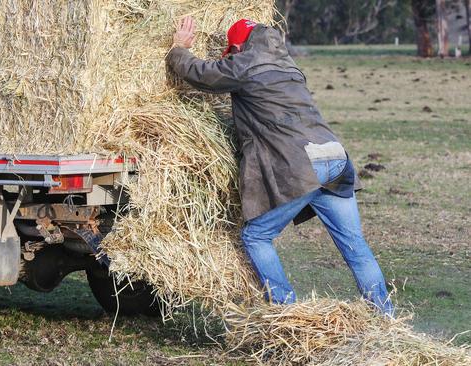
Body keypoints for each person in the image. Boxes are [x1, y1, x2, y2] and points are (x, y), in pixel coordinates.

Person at [166, 16, 394, 316]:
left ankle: (286, 313)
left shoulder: (245, 64)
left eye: (231, 51)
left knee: (255, 236)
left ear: (238, 47)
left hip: (301, 164)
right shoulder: (290, 66)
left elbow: (201, 74)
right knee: (355, 246)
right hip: (334, 156)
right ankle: (384, 317)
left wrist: (178, 50)